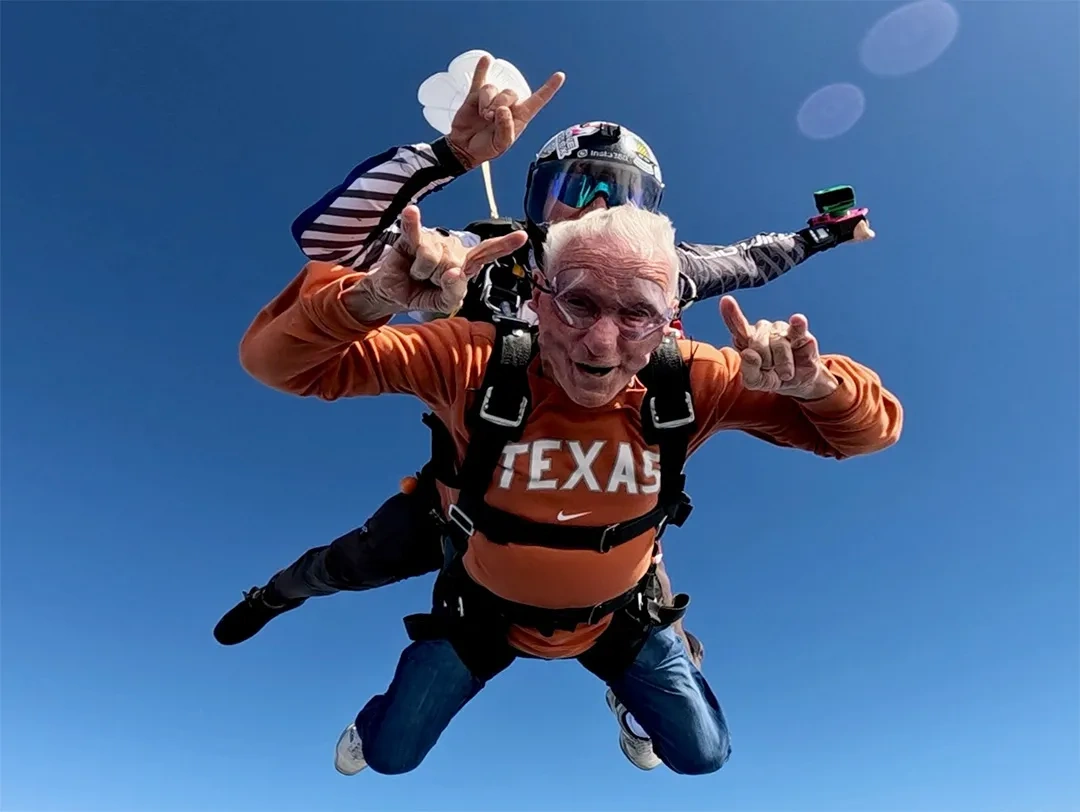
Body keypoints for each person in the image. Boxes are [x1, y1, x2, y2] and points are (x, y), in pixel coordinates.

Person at [214, 57, 875, 770]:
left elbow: (750, 260)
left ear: (648, 216)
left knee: (629, 553)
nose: (595, 207)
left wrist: (822, 235)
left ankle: (641, 662)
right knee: (353, 561)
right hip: (465, 490)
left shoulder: (663, 270)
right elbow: (328, 247)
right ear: (535, 203)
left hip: (610, 483)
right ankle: (277, 593)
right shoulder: (487, 253)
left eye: (618, 193)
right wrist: (446, 161)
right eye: (575, 187)